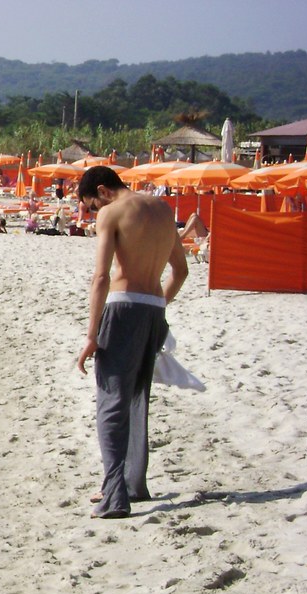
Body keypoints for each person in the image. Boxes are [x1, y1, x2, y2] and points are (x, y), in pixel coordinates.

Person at [75, 166, 188, 519]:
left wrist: (92, 335)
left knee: (111, 400)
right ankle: (132, 483)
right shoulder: (163, 209)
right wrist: (156, 308)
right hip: (154, 309)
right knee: (137, 397)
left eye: (91, 206)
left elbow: (100, 278)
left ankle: (114, 496)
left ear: (103, 191)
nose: (94, 214)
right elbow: (181, 271)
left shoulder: (112, 212)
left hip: (123, 309)